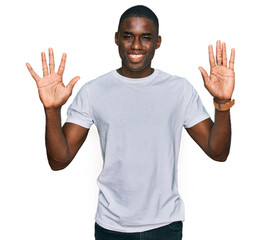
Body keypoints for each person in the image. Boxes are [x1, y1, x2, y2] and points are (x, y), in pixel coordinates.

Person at [26, 5, 235, 240]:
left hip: (165, 226)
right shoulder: (94, 91)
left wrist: (221, 102)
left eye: (146, 38)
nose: (136, 46)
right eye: (128, 36)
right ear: (116, 39)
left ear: (158, 42)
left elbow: (218, 152)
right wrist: (52, 110)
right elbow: (59, 161)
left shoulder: (179, 90)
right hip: (111, 227)